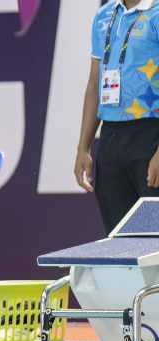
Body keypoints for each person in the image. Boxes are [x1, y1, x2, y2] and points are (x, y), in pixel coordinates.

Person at [75, 0, 159, 234]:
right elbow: (94, 84)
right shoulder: (104, 15)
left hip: (151, 136)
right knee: (119, 240)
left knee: (154, 241)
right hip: (111, 141)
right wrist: (83, 148)